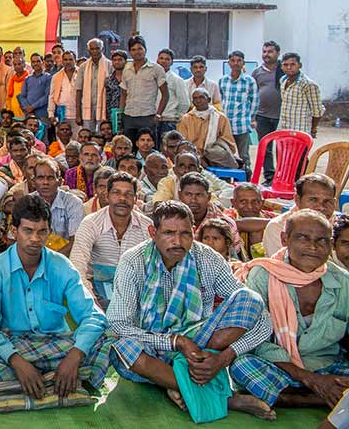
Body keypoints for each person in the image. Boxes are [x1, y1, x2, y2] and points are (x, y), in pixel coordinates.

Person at [107, 201, 277, 421]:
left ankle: (175, 382)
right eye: (169, 233)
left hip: (200, 346)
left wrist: (224, 358)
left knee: (249, 298)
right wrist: (176, 342)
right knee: (123, 348)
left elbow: (263, 319)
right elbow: (118, 324)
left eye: (185, 233)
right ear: (153, 232)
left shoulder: (207, 258)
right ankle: (225, 396)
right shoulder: (133, 261)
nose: (177, 241)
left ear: (193, 232)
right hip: (152, 344)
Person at [0, 193, 113, 412]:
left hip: (57, 344)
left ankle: (21, 389)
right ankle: (63, 385)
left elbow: (93, 316)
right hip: (16, 344)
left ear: (49, 231)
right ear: (14, 230)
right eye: (28, 231)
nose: (35, 239)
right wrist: (17, 362)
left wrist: (74, 357)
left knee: (108, 340)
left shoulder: (62, 266)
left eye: (42, 232)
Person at [233, 210, 349, 411]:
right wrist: (311, 380)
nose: (313, 247)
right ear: (285, 239)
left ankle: (285, 397)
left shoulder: (343, 281)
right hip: (280, 365)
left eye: (321, 240)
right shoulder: (262, 276)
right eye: (303, 238)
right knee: (241, 365)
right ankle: (316, 399)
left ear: (330, 245)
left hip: (327, 364)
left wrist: (323, 378)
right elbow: (256, 340)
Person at [70, 172, 152, 308]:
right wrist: (92, 304)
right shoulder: (91, 223)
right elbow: (77, 268)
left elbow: (154, 268)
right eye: (116, 193)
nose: (122, 198)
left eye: (128, 194)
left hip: (135, 291)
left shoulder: (146, 226)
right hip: (97, 289)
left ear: (135, 198)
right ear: (107, 196)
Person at [263, 173, 339, 259]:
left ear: (335, 203)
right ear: (297, 200)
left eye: (327, 201)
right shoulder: (278, 227)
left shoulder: (340, 225)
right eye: (313, 200)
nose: (321, 207)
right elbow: (281, 267)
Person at [119, 36, 167, 147]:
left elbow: (165, 95)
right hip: (129, 116)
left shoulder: (156, 69)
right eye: (133, 49)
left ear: (145, 50)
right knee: (128, 148)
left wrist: (158, 114)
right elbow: (123, 94)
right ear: (130, 52)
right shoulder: (127, 69)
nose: (137, 52)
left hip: (148, 116)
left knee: (148, 149)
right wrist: (121, 115)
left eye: (140, 49)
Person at [32, 157, 84, 255]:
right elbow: (15, 239)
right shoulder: (27, 202)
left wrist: (51, 261)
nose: (45, 182)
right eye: (40, 178)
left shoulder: (73, 203)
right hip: (33, 257)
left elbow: (76, 241)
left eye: (50, 178)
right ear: (34, 181)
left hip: (65, 259)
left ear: (60, 181)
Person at [219, 50, 258, 175]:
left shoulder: (249, 81)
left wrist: (250, 119)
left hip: (241, 125)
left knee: (244, 156)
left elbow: (254, 101)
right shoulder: (223, 80)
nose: (236, 63)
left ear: (243, 63)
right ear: (229, 63)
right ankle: (227, 180)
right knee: (225, 155)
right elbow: (220, 100)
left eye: (239, 61)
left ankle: (247, 181)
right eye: (233, 61)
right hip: (226, 127)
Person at [177, 88, 238, 167]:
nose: (198, 101)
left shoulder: (220, 118)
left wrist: (208, 153)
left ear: (209, 100)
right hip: (192, 156)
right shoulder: (186, 119)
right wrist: (198, 156)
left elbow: (227, 141)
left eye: (201, 97)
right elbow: (183, 143)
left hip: (214, 157)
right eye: (195, 98)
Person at [253, 41, 283, 184]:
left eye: (270, 52)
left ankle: (283, 177)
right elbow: (253, 94)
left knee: (283, 149)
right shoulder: (257, 72)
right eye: (264, 51)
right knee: (265, 148)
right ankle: (269, 178)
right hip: (263, 116)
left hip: (282, 117)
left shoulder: (284, 70)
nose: (266, 55)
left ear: (277, 53)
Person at [277, 52, 324, 143]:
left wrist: (313, 130)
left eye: (292, 64)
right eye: (285, 65)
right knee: (283, 156)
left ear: (300, 65)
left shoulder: (308, 84)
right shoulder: (283, 80)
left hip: (300, 130)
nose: (289, 67)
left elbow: (317, 111)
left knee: (300, 156)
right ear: (282, 66)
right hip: (283, 128)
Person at [156, 48, 190, 147]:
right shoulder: (152, 78)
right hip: (153, 120)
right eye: (161, 58)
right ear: (157, 60)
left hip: (168, 121)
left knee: (167, 150)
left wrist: (176, 117)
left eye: (167, 59)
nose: (163, 61)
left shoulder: (176, 80)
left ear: (171, 62)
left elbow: (185, 103)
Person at [75, 38, 111, 132]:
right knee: (87, 133)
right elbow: (78, 90)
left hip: (104, 107)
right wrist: (78, 114)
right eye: (92, 49)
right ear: (88, 50)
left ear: (102, 49)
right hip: (87, 107)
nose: (95, 51)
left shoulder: (109, 65)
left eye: (97, 48)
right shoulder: (83, 67)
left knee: (102, 133)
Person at [48, 50, 78, 125]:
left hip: (78, 114)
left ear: (75, 60)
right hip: (61, 114)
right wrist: (51, 114)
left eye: (70, 59)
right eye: (65, 60)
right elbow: (51, 96)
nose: (68, 62)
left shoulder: (82, 74)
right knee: (61, 136)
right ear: (62, 61)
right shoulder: (56, 77)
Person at [18, 54, 51, 120]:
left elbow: (48, 96)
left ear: (43, 62)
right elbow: (22, 96)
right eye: (33, 62)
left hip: (42, 113)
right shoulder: (27, 79)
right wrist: (27, 107)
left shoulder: (48, 77)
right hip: (29, 114)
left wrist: (33, 107)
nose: (35, 63)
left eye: (38, 61)